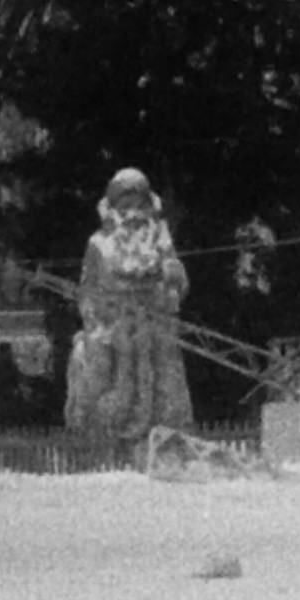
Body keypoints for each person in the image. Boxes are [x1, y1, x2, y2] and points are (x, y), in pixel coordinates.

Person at [64, 167, 195, 440]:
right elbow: (88, 292)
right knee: (100, 369)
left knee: (166, 379)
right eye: (126, 206)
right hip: (113, 330)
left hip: (153, 327)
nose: (134, 213)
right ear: (113, 208)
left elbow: (178, 286)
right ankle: (95, 431)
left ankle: (169, 436)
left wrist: (174, 278)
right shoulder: (99, 244)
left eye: (140, 205)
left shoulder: (162, 242)